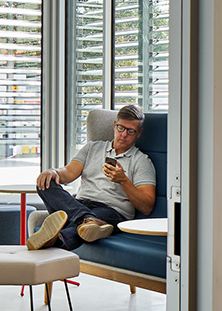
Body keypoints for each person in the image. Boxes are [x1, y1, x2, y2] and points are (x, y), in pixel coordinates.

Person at [28, 104, 156, 250]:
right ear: (115, 125)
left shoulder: (141, 161)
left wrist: (123, 180)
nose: (124, 134)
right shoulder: (92, 148)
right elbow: (68, 173)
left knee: (85, 224)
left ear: (139, 133)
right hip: (80, 205)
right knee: (45, 183)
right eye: (121, 128)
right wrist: (54, 172)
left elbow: (147, 207)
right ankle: (87, 221)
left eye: (130, 131)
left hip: (112, 211)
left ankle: (59, 236)